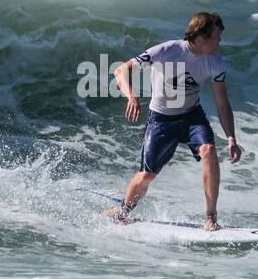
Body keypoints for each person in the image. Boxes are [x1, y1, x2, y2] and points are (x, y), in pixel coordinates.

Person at [104, 12, 243, 231]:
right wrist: (131, 96)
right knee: (147, 174)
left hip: (191, 117)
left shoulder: (215, 62)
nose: (220, 41)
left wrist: (231, 138)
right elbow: (122, 70)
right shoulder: (167, 50)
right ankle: (123, 210)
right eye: (216, 36)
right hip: (161, 119)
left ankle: (211, 216)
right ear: (200, 37)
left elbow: (222, 103)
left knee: (208, 150)